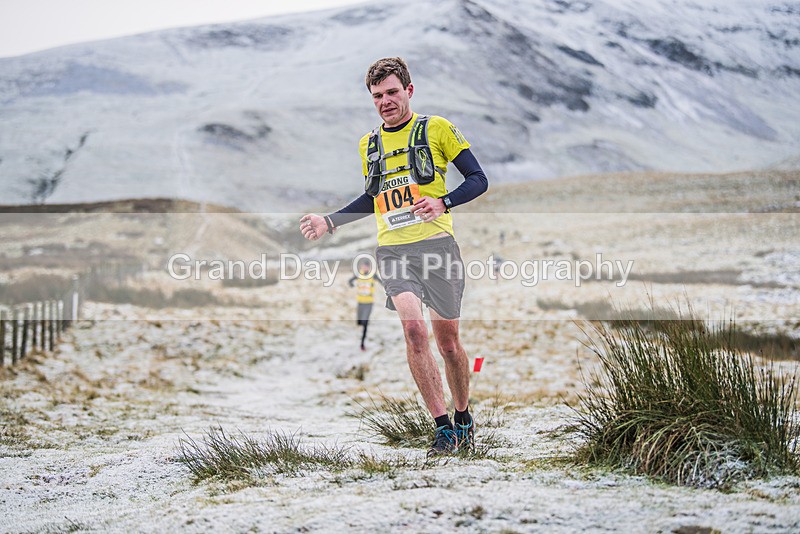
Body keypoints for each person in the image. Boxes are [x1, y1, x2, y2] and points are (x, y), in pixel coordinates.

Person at [300, 57, 488, 456]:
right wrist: (329, 221)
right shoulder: (368, 144)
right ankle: (442, 429)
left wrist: (444, 202)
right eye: (377, 96)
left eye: (391, 93)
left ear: (409, 91)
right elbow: (373, 198)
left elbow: (478, 179)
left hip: (438, 246)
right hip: (393, 250)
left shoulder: (436, 128)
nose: (385, 101)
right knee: (414, 331)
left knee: (449, 343)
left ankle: (463, 415)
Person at [348, 258, 383, 351]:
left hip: (369, 303)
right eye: (364, 266)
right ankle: (360, 332)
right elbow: (350, 280)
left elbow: (382, 282)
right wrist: (351, 284)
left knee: (365, 323)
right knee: (359, 322)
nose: (365, 268)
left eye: (367, 266)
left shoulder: (373, 276)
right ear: (362, 267)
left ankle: (362, 344)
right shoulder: (359, 274)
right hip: (360, 302)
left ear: (369, 267)